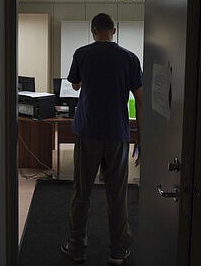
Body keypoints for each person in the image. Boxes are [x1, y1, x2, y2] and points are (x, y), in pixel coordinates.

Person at [60, 13, 143, 265]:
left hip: (88, 132)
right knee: (117, 194)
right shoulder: (129, 58)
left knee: (81, 192)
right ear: (114, 30)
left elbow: (74, 85)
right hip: (117, 134)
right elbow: (139, 96)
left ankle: (77, 248)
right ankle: (118, 251)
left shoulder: (82, 54)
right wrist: (141, 134)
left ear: (93, 30)